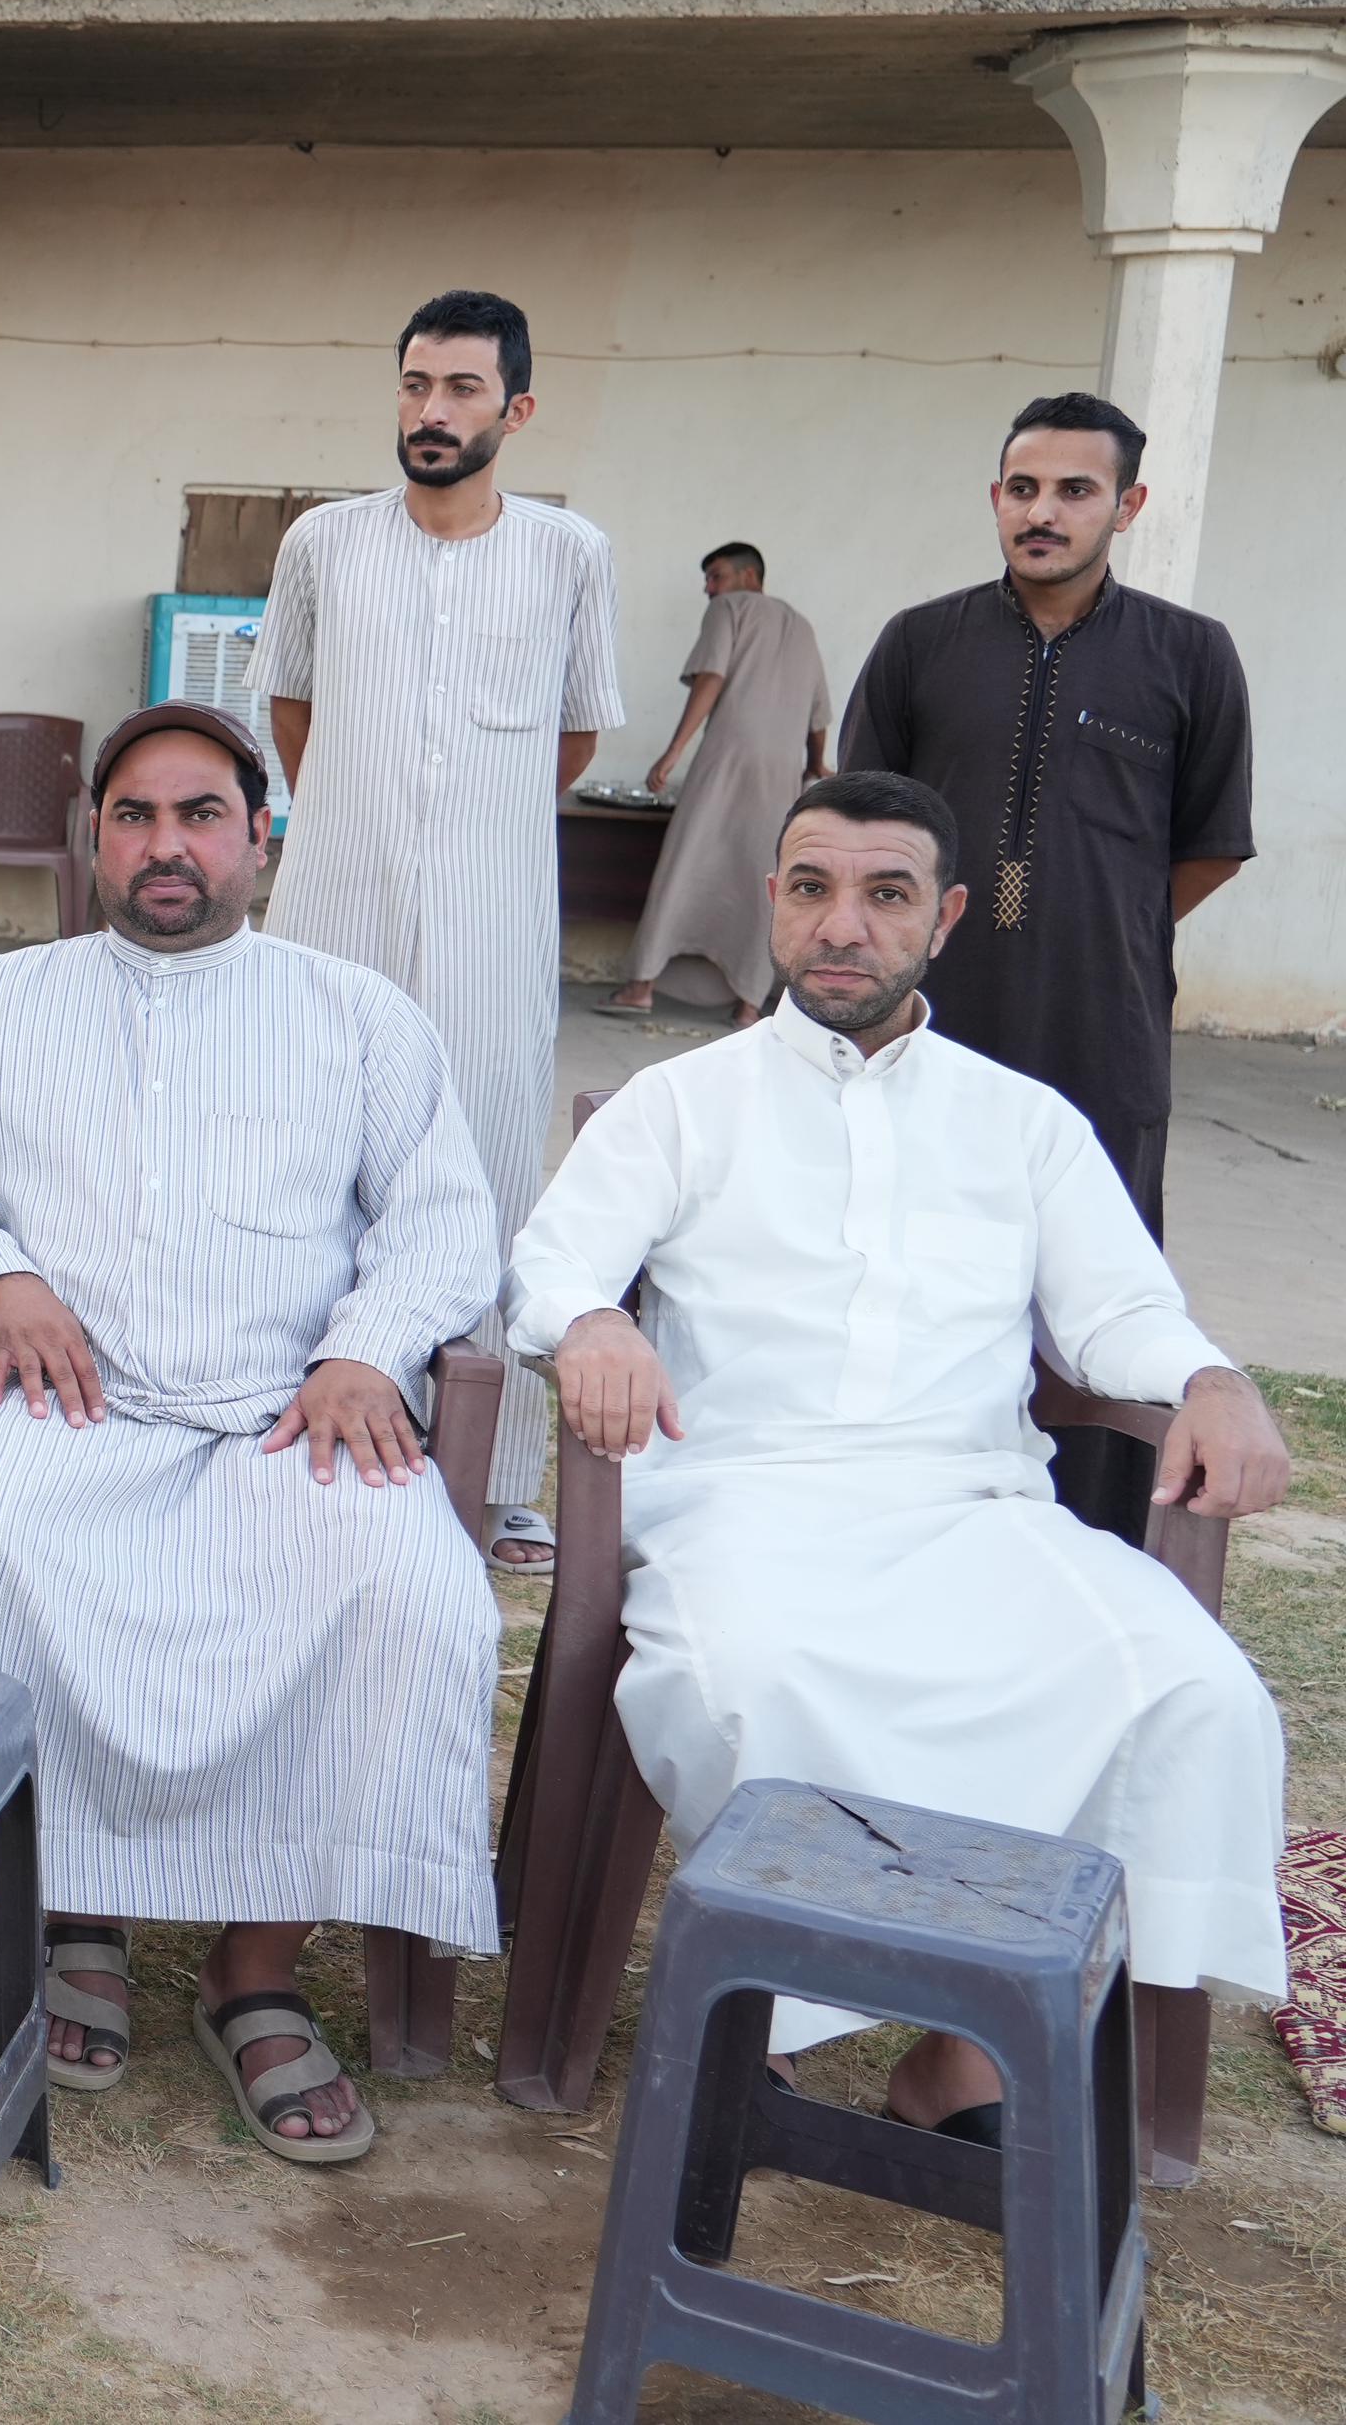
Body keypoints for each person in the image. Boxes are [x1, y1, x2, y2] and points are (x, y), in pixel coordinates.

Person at [510, 770, 1289, 2136]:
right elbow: (552, 1260)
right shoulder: (680, 1102)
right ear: (772, 900)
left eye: (885, 894)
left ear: (946, 917)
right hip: (741, 1506)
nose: (842, 925)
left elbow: (1118, 1309)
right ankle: (759, 2018)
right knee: (753, 1676)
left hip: (972, 1508)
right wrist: (590, 1320)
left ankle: (963, 2054)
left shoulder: (1022, 1121)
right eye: (812, 888)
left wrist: (1210, 1378)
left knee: (1188, 1686)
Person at [0, 704, 501, 2165]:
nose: (168, 845)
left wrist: (363, 1351)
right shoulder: (5, 1002)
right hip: (66, 1407)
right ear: (94, 837)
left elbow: (443, 1221)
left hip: (288, 1413)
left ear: (258, 841)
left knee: (416, 1596)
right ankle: (70, 1909)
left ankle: (254, 1967)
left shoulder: (356, 1013)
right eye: (136, 816)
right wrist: (0, 1277)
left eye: (201, 814)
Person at [839, 392, 1254, 1542]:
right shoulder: (920, 641)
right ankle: (896, 1512)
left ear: (1126, 504)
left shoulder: (1188, 654)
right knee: (901, 1264)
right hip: (932, 1020)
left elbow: (1207, 845)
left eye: (1074, 490)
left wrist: (1089, 922)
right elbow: (862, 827)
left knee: (1094, 1287)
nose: (1042, 511)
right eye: (1021, 488)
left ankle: (1079, 1538)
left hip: (1098, 1026)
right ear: (994, 498)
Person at [261, 287, 622, 1573]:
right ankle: (285, 1406)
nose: (430, 409)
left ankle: (491, 1470)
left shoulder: (568, 554)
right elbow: (289, 706)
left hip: (492, 910)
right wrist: (357, 816)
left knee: (486, 1163)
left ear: (513, 410)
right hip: (333, 896)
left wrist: (472, 821)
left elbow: (573, 733)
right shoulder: (321, 543)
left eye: (460, 388)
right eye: (415, 384)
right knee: (306, 1151)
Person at [603, 542, 829, 1024]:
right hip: (781, 773)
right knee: (762, 878)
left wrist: (674, 751)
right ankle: (749, 1003)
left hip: (726, 758)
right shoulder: (803, 626)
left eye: (717, 576)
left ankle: (641, 986)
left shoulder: (730, 608)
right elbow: (818, 713)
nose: (709, 588)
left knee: (686, 861)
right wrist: (815, 764)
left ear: (749, 577)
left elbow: (711, 677)